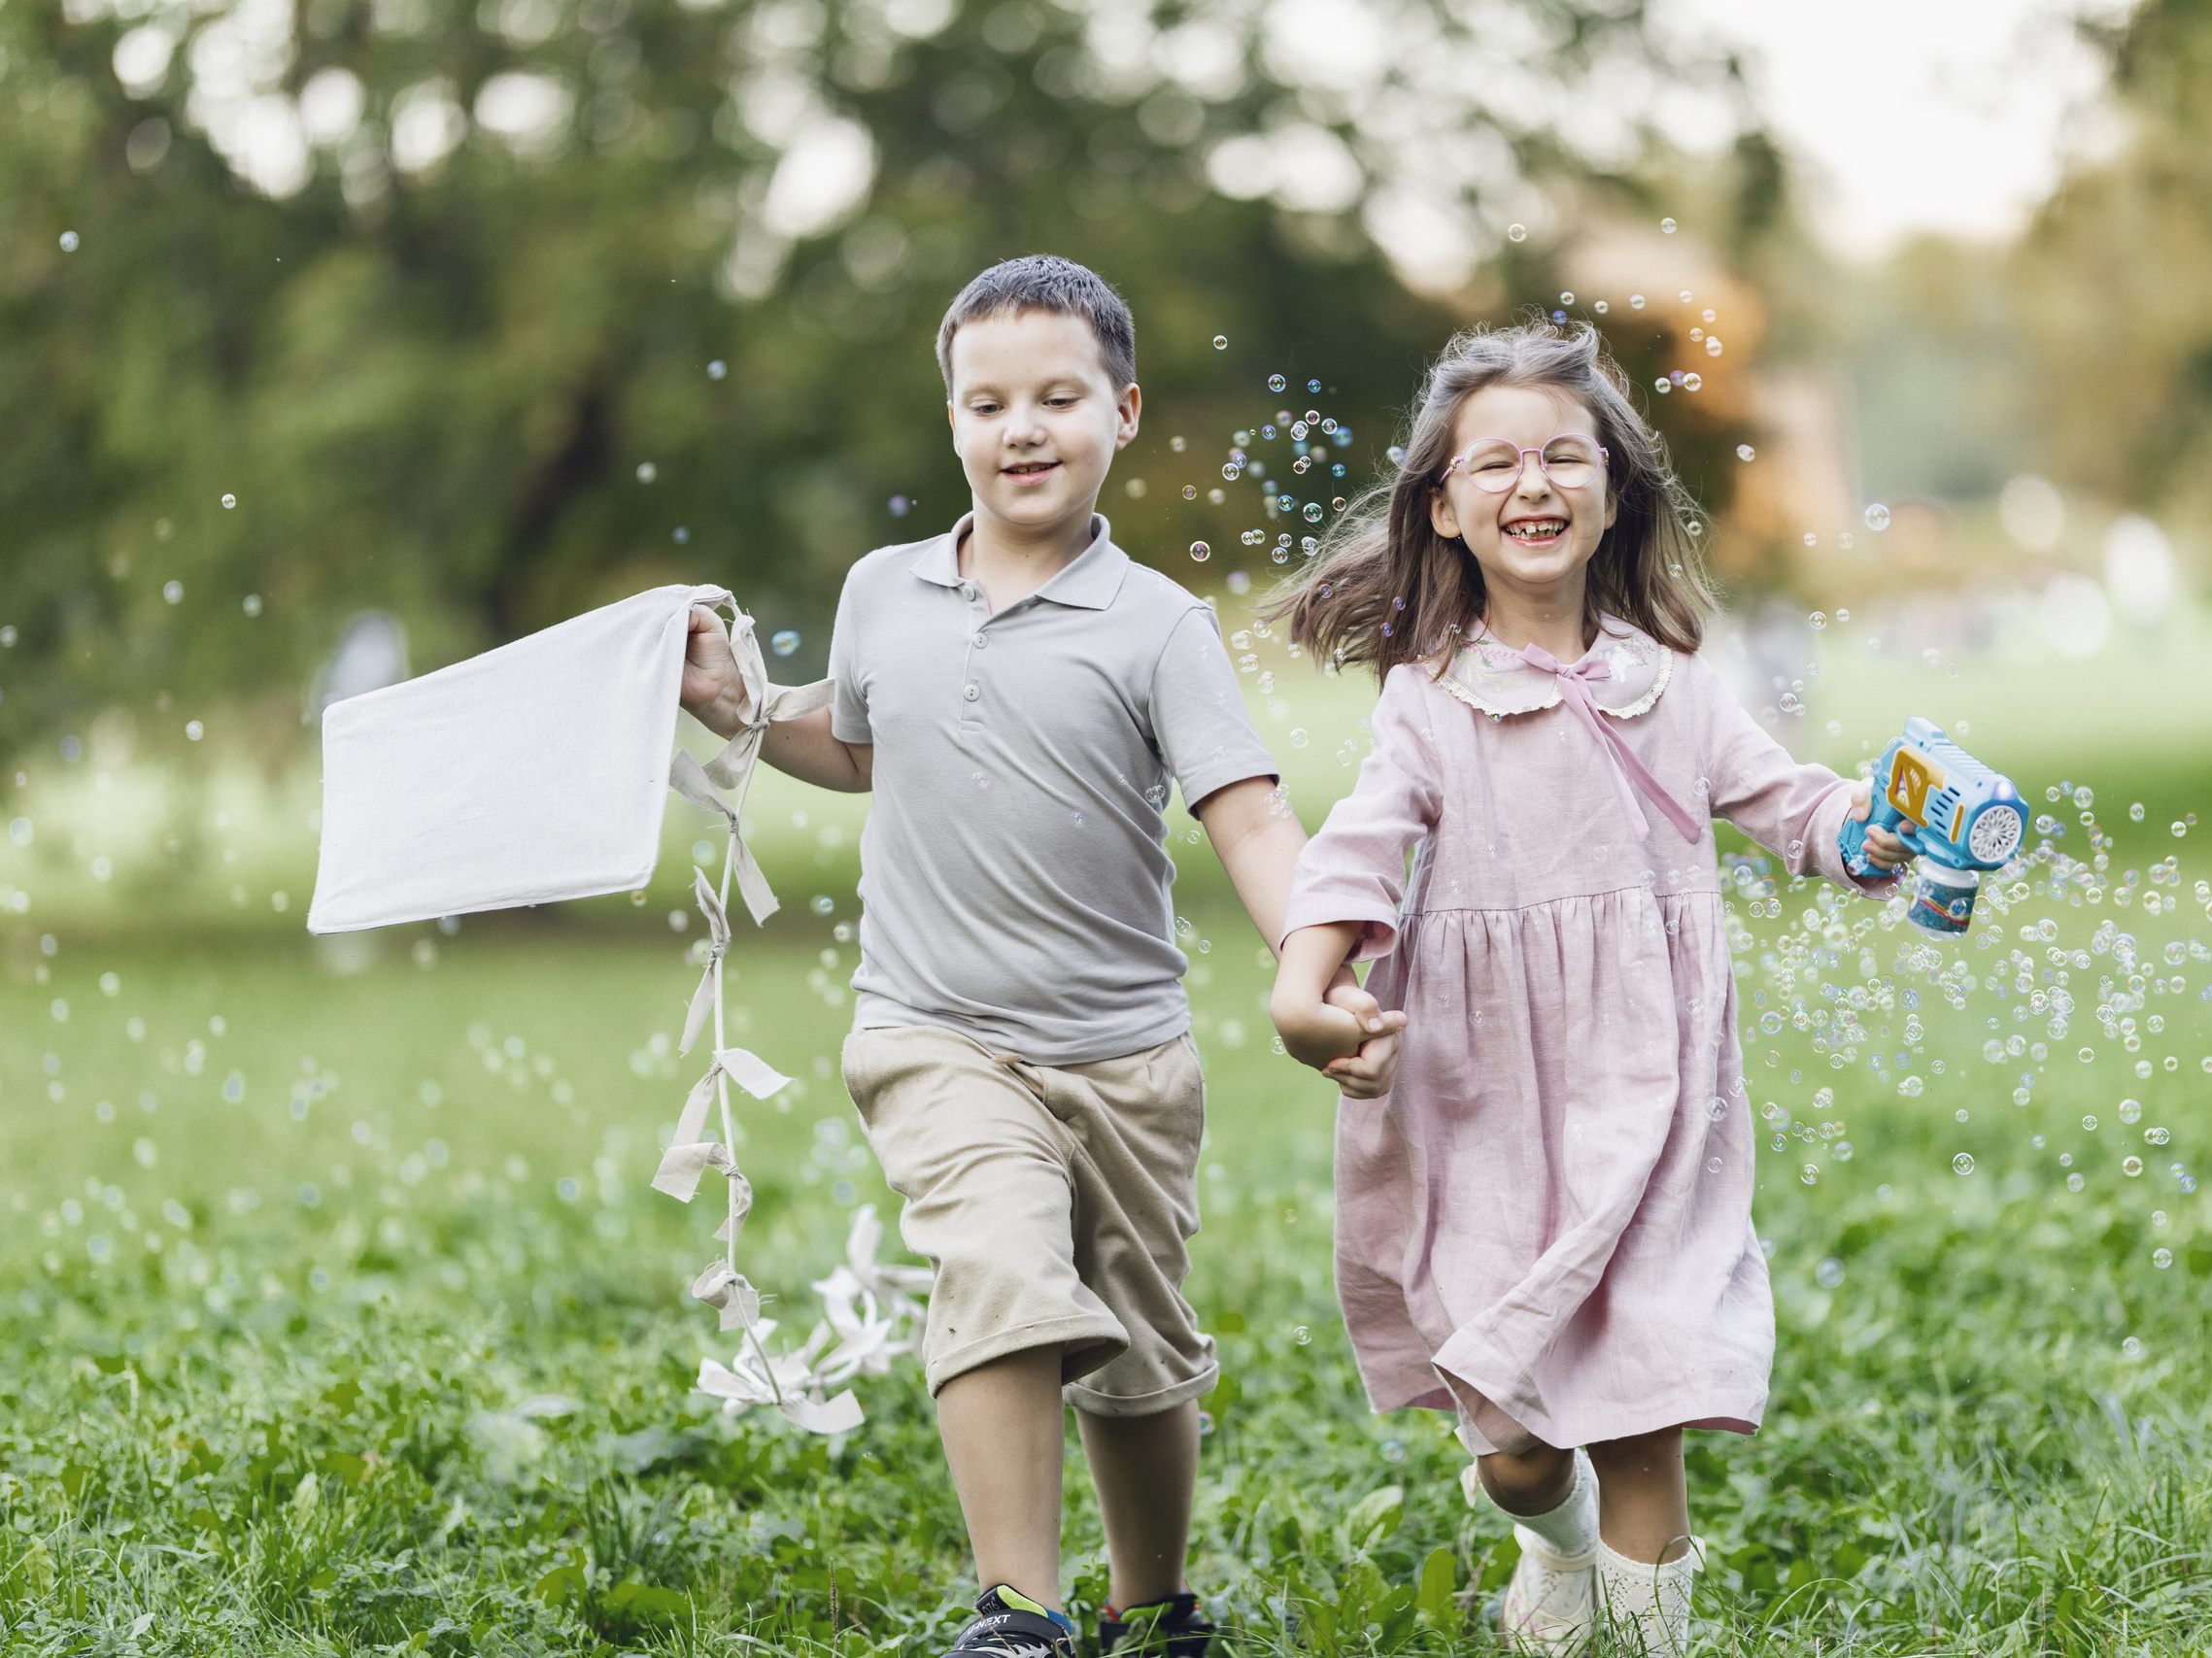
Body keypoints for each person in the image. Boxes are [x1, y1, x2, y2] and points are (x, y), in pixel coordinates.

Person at [678, 255, 1390, 1658]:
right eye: (989, 401)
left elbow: (1247, 819)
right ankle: (1021, 1613)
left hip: (1124, 1052)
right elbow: (865, 743)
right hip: (933, 1032)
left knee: (1137, 1344)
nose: (1023, 428)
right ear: (950, 422)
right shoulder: (883, 591)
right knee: (998, 1267)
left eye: (1059, 397)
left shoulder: (1157, 625)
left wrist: (1317, 968)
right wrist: (745, 710)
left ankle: (1154, 1603)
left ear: (1122, 411)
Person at [1260, 321, 1916, 1655]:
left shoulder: (1672, 688)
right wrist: (1306, 994)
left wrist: (1874, 832)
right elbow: (1354, 855)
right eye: (1494, 463)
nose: (1534, 482)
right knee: (1513, 1444)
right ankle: (1545, 1542)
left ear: (1615, 486)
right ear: (1442, 507)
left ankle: (1652, 1639)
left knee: (1643, 1406)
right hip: (1487, 1101)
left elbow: (1796, 810)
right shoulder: (1432, 703)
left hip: (1652, 1100)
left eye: (1565, 454)